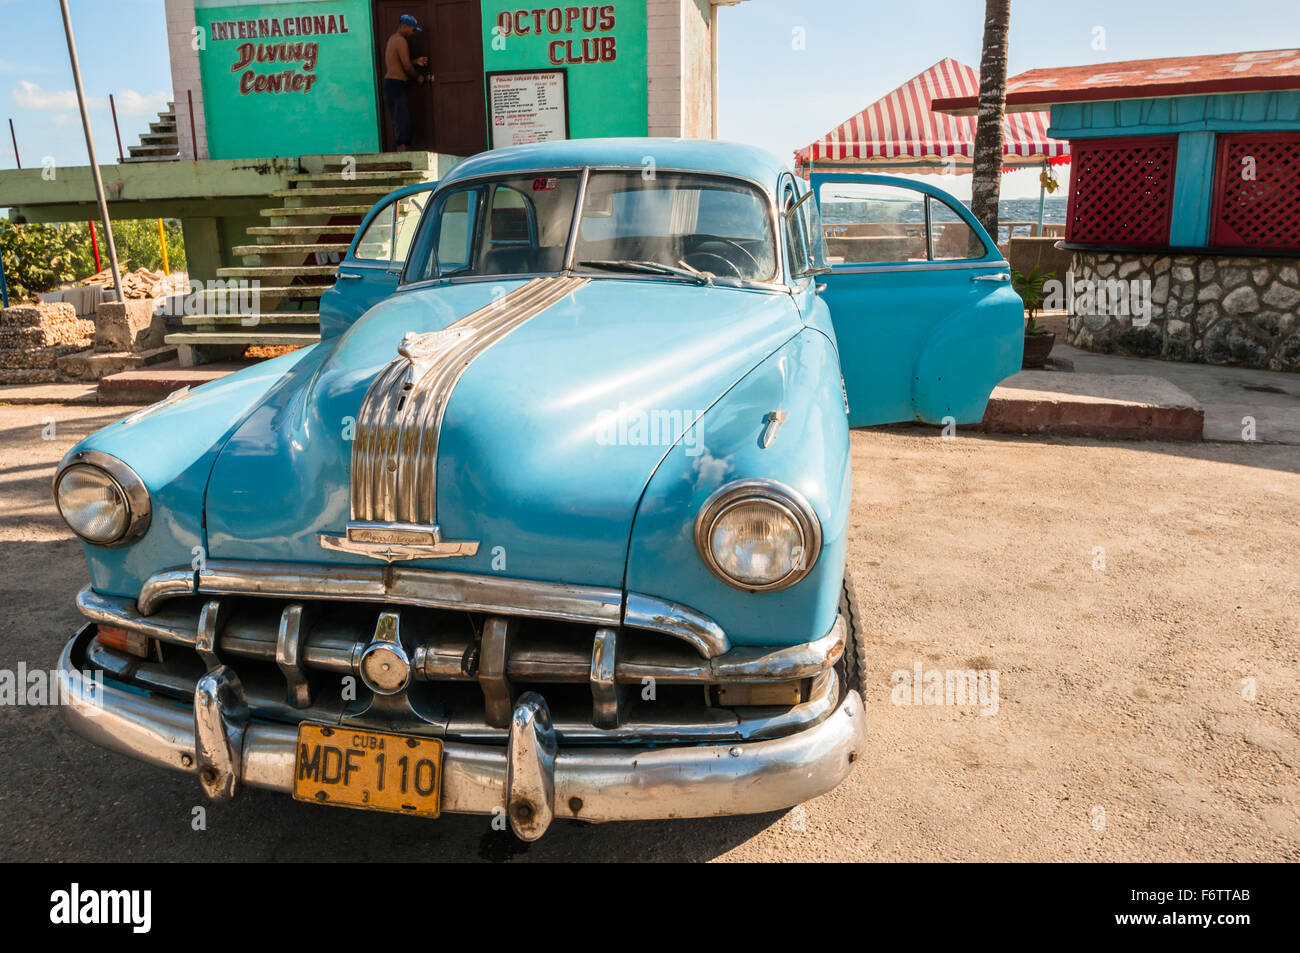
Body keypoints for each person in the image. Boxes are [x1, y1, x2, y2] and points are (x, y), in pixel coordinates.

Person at [383, 14, 430, 152]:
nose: (413, 33)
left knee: (399, 118)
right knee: (401, 118)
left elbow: (397, 62)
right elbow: (406, 67)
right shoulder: (401, 41)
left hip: (391, 84)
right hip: (395, 84)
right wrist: (418, 77)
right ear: (404, 26)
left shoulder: (393, 39)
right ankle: (402, 154)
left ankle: (402, 151)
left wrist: (416, 61)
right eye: (412, 29)